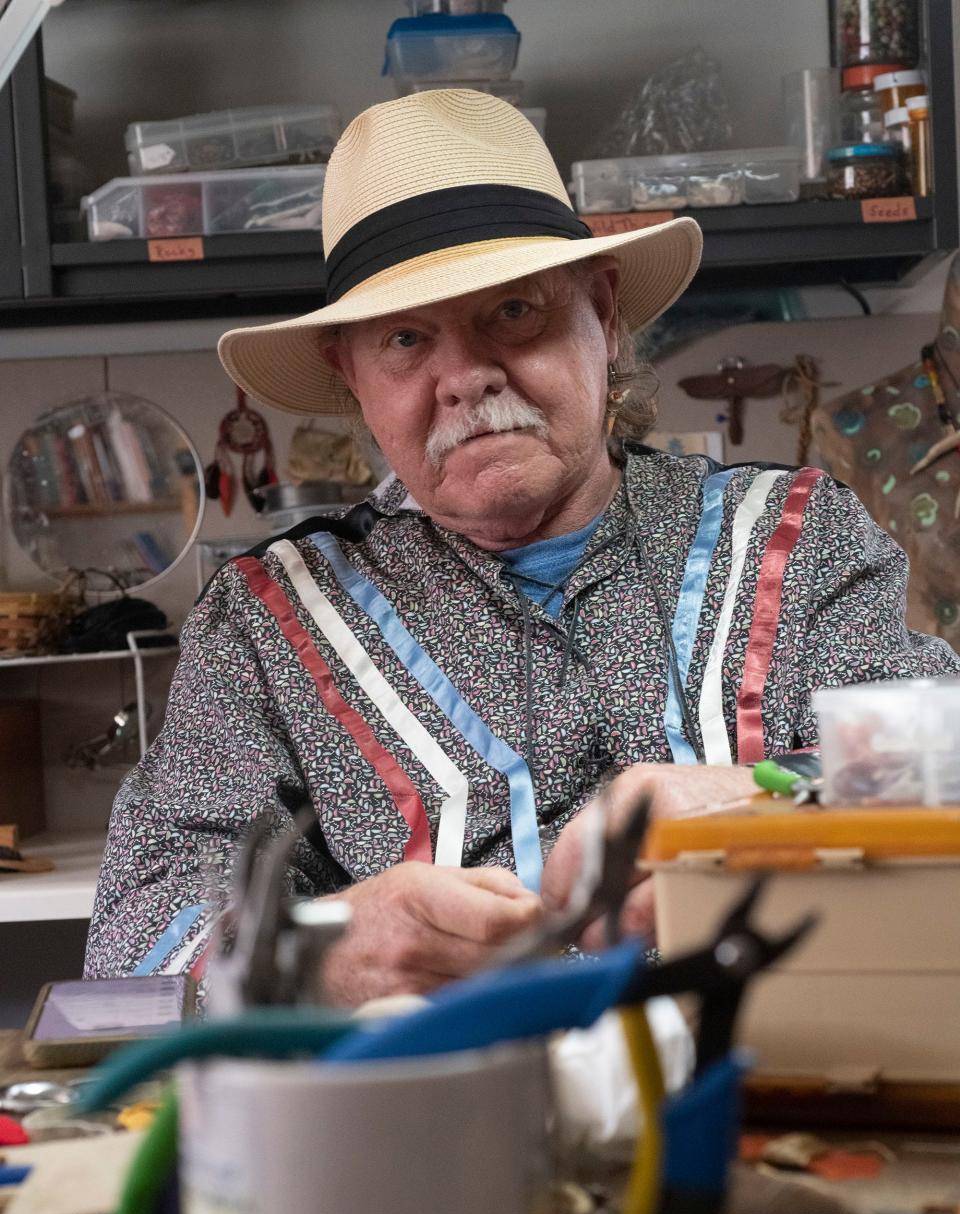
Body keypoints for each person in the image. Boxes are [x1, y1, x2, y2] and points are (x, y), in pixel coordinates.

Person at [85, 90, 959, 1001]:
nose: (464, 377)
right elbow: (130, 947)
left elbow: (939, 771)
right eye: (407, 338)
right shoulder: (265, 621)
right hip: (444, 1127)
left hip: (777, 1102)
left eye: (512, 312)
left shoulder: (797, 532)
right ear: (351, 374)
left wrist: (766, 800)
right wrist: (316, 953)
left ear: (604, 311)